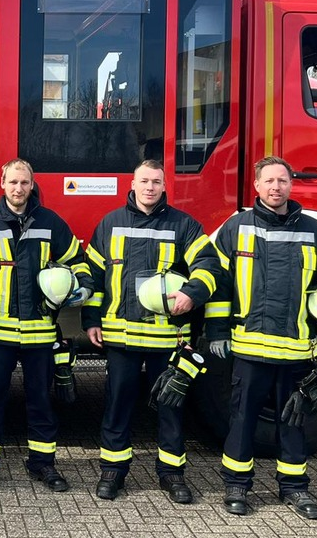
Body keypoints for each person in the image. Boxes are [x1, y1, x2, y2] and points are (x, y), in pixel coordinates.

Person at [206, 156, 317, 520]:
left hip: (296, 352)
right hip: (248, 349)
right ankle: (237, 486)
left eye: (282, 181)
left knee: (293, 421)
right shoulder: (236, 228)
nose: (276, 187)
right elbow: (217, 284)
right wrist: (217, 331)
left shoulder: (315, 231)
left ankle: (294, 489)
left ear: (291, 185)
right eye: (269, 181)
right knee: (241, 420)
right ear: (256, 186)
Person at [83, 159, 220, 503]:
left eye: (156, 182)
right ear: (132, 184)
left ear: (164, 186)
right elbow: (94, 276)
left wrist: (192, 293)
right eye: (144, 181)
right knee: (118, 404)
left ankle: (172, 474)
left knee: (171, 406)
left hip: (168, 338)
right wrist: (91, 319)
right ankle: (112, 473)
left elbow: (209, 265)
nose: (149, 187)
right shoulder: (110, 224)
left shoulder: (184, 225)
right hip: (121, 337)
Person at [0, 158, 93, 493]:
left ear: (32, 185)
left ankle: (44, 465)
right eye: (13, 182)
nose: (18, 189)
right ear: (1, 184)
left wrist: (82, 287)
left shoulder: (51, 222)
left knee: (41, 400)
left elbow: (77, 261)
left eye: (24, 183)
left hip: (40, 332)